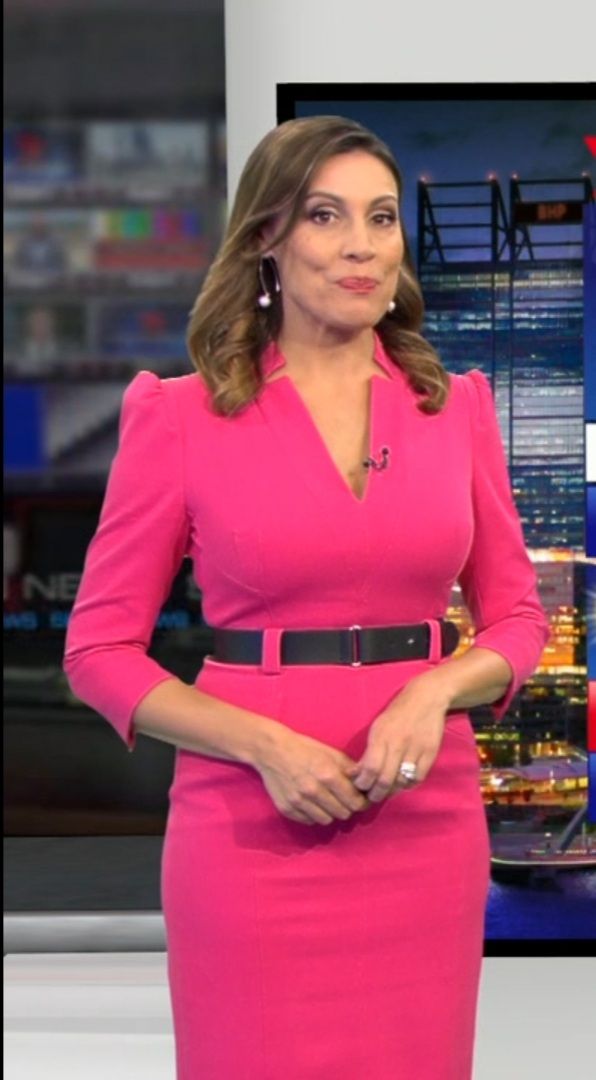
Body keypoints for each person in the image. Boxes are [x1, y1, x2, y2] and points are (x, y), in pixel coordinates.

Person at [63, 116, 550, 1079]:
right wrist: (263, 745)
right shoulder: (180, 414)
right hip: (250, 825)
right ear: (267, 239)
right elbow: (98, 653)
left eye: (381, 217)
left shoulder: (455, 408)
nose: (361, 245)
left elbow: (519, 620)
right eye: (325, 216)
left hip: (423, 818)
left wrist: (433, 690)